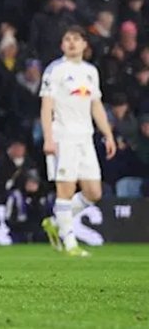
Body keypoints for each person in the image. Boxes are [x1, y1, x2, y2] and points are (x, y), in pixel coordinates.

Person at [39, 27, 117, 257]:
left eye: (76, 39)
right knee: (66, 188)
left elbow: (96, 105)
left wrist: (108, 134)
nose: (71, 43)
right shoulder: (55, 70)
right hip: (63, 136)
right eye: (67, 39)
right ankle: (70, 244)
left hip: (86, 137)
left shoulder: (91, 71)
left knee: (94, 192)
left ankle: (55, 221)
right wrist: (48, 138)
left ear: (85, 45)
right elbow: (46, 107)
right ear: (62, 45)